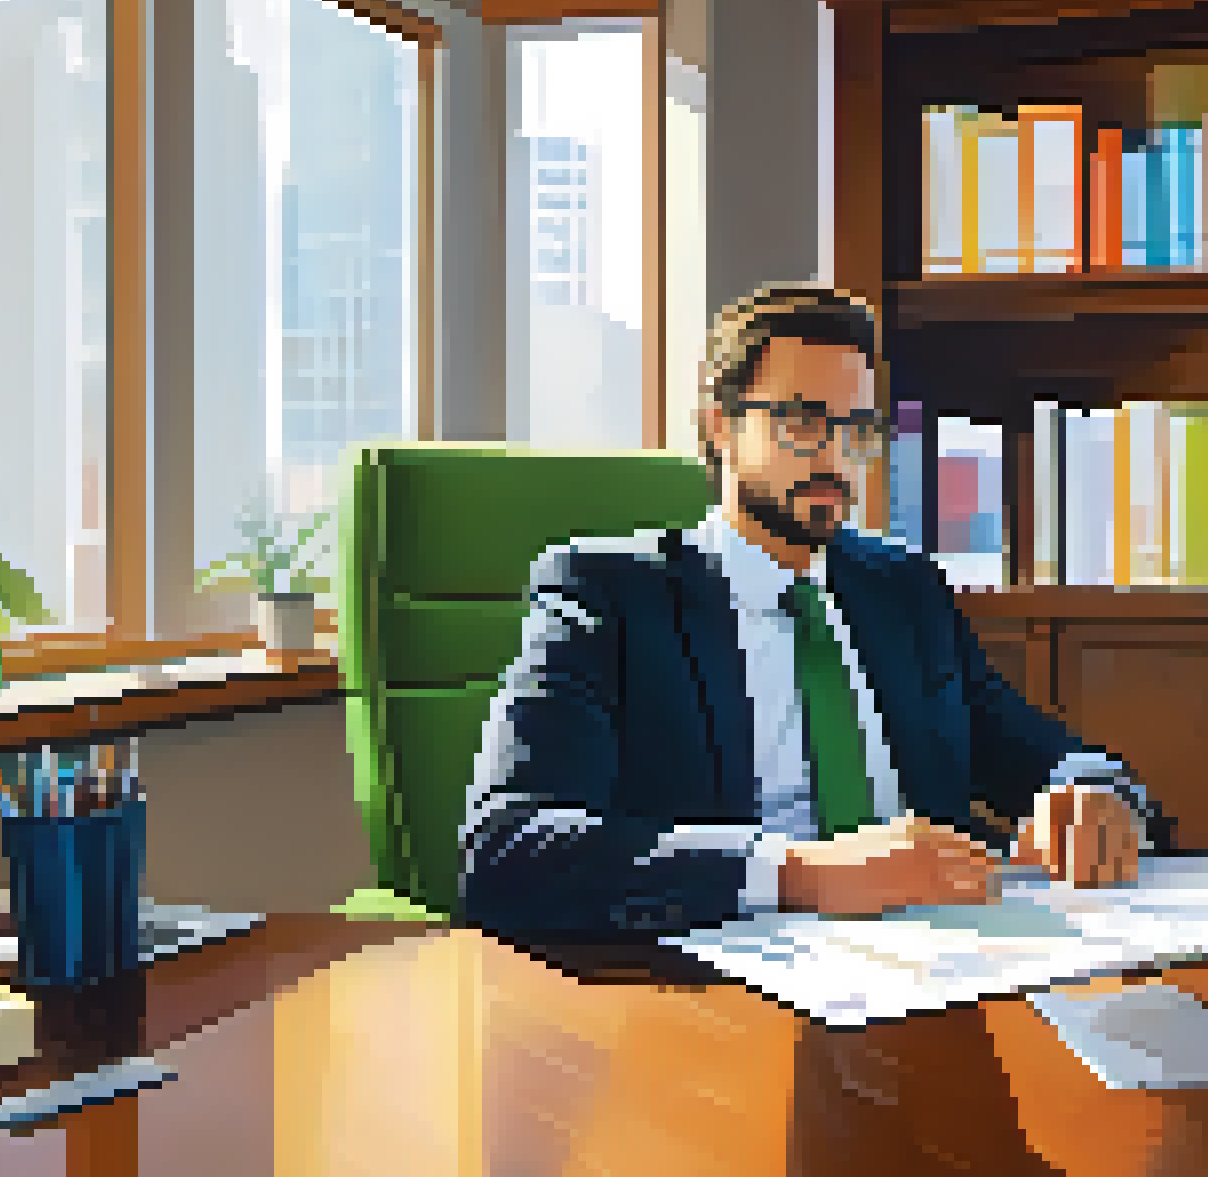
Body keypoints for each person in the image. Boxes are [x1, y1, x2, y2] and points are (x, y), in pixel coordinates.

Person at [461, 283, 1169, 940]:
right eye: (802, 422)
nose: (835, 458)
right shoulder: (609, 595)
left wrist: (1094, 792)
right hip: (729, 971)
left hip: (939, 953)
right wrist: (801, 875)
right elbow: (507, 852)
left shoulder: (904, 590)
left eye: (858, 429)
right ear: (719, 427)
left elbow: (1046, 754)